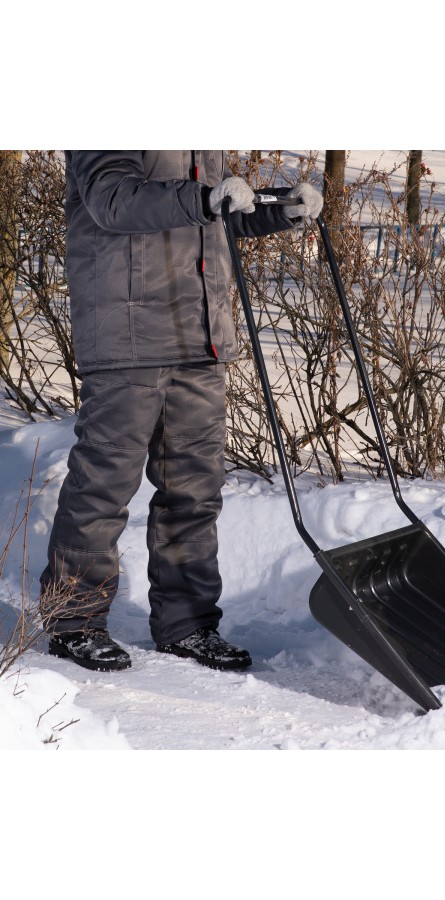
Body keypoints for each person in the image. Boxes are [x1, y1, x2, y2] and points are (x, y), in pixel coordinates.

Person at [40, 150, 323, 673]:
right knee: (104, 483)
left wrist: (277, 208)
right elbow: (113, 200)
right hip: (127, 332)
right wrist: (202, 198)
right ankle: (73, 620)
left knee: (195, 488)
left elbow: (210, 220)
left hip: (200, 334)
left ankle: (187, 624)